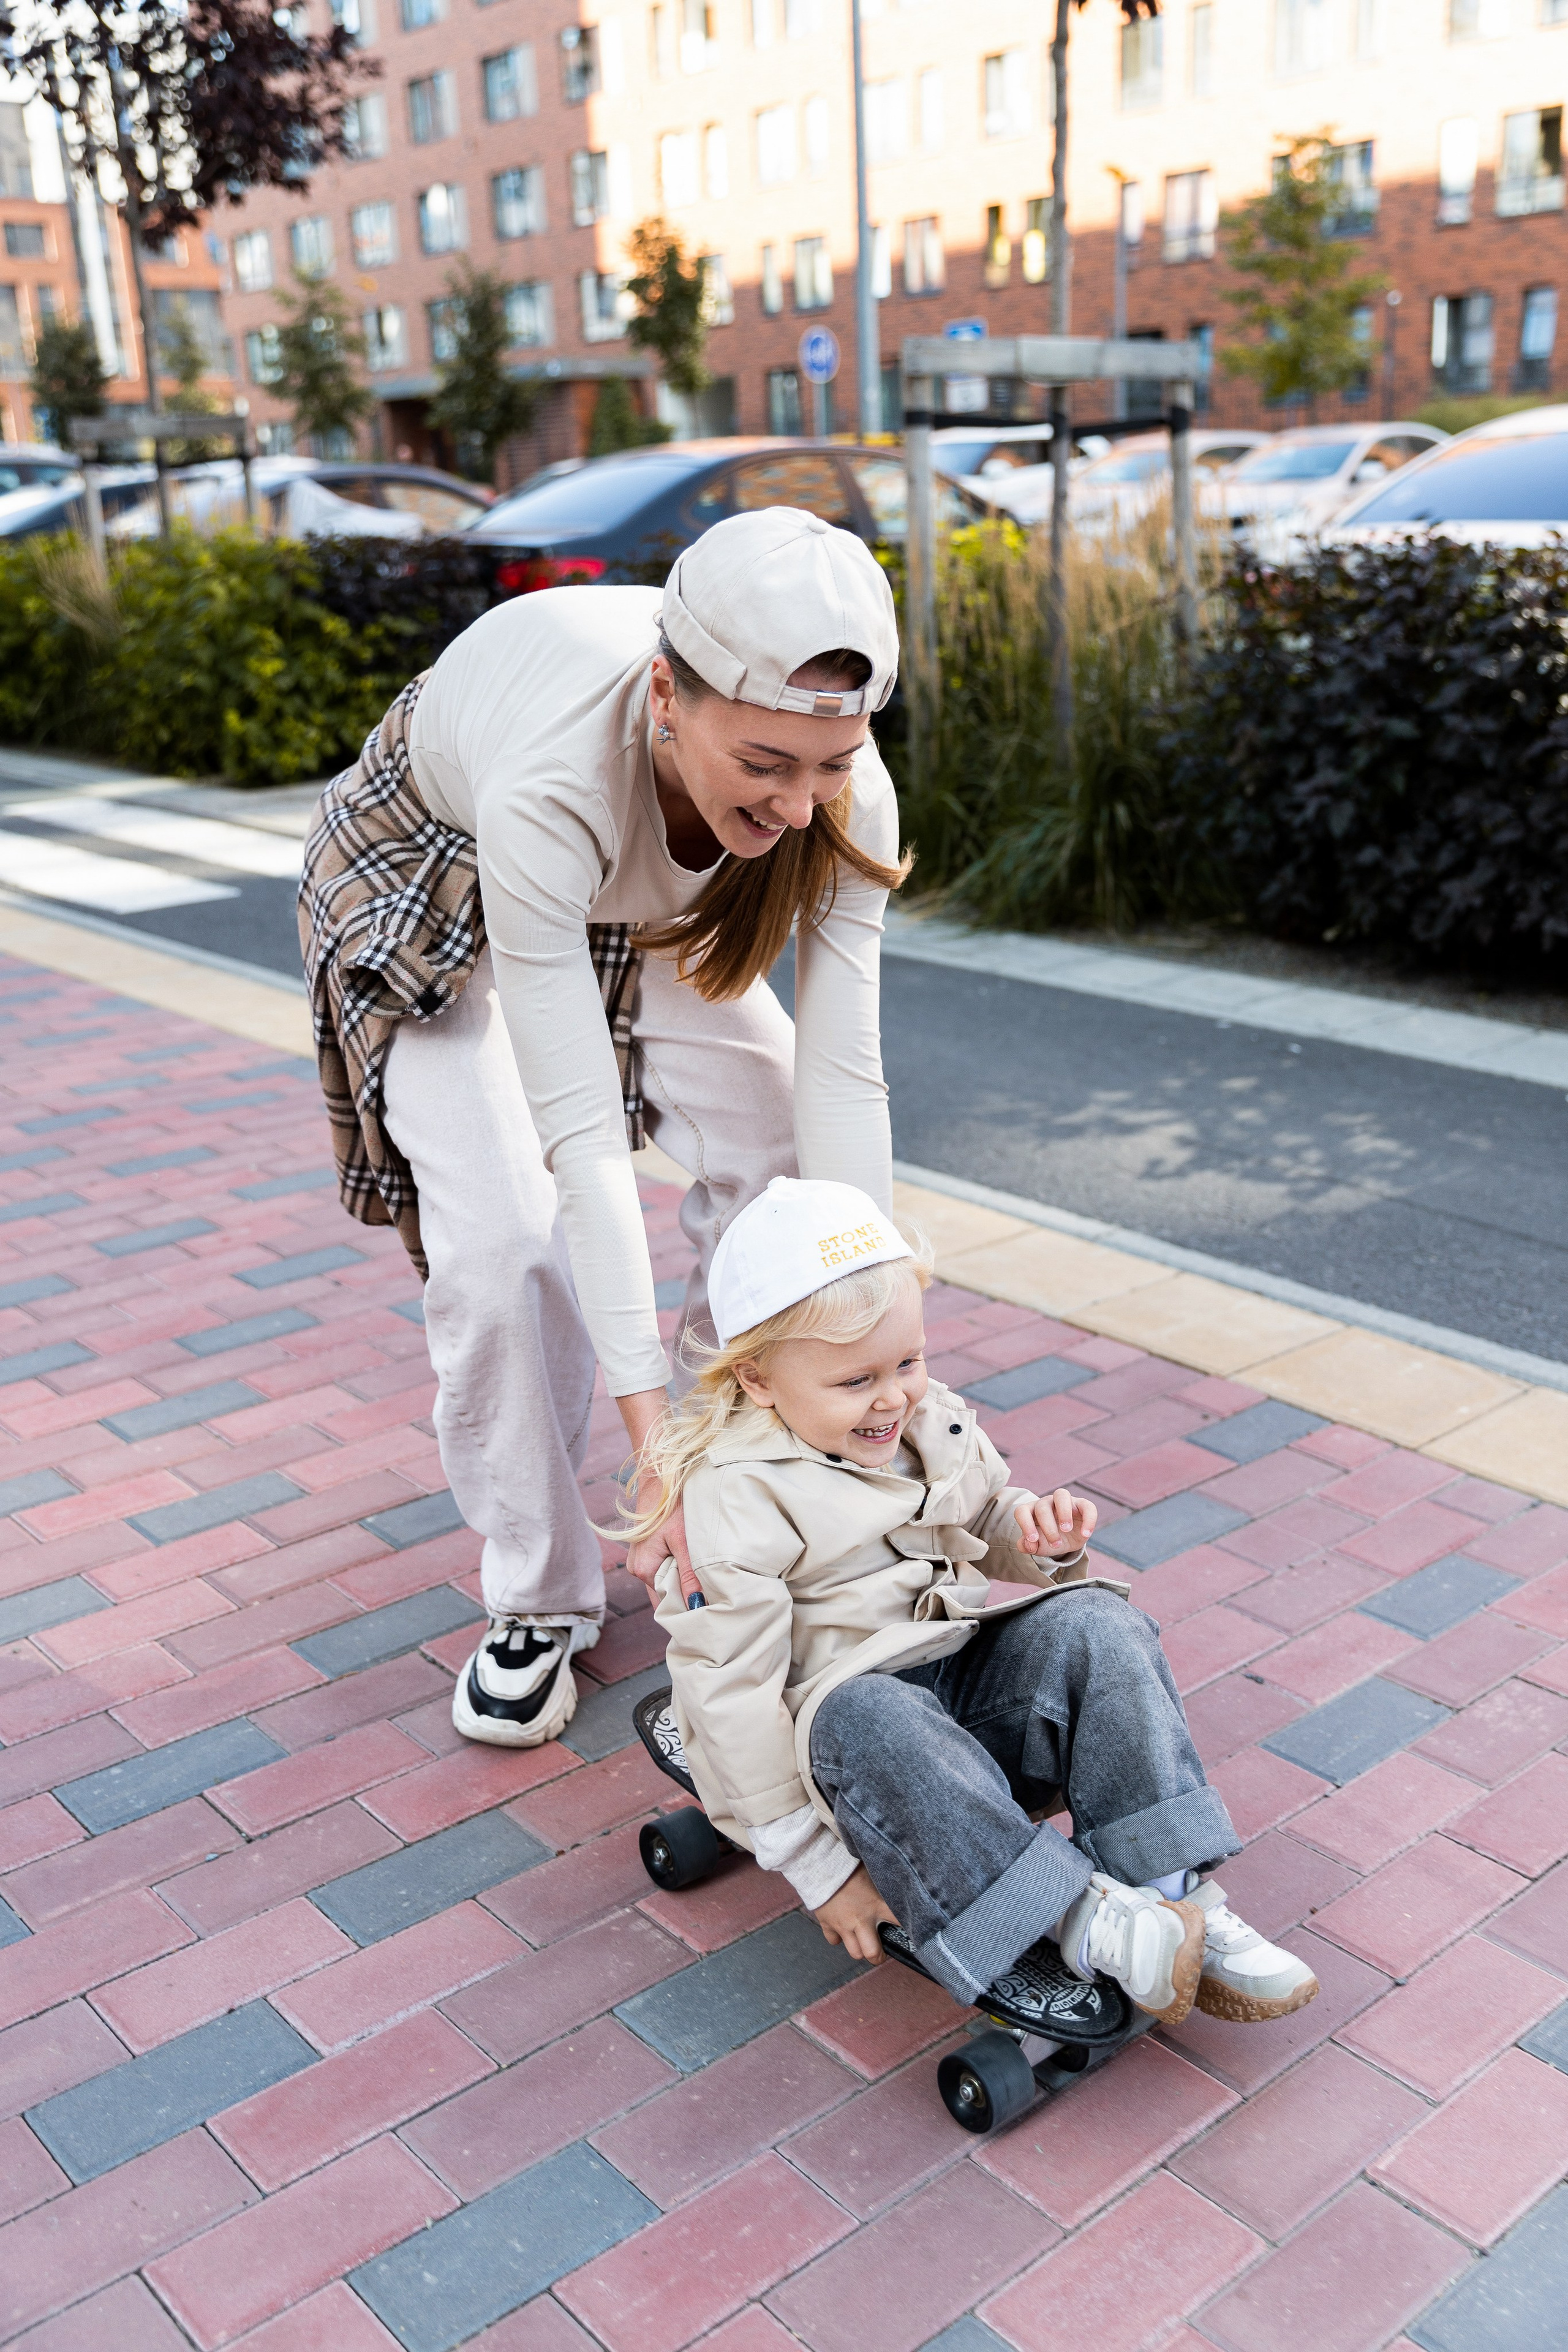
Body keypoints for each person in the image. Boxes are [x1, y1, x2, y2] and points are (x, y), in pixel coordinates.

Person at [299, 509, 907, 1749]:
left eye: (830, 764)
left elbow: (845, 1081)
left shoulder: (829, 794)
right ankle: (538, 1596)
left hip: (634, 884)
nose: (802, 808)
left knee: (786, 1163)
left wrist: (878, 1342)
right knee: (505, 1245)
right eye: (767, 764)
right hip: (444, 864)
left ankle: (739, 1503)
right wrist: (648, 1448)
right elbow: (582, 1146)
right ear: (666, 695)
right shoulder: (559, 775)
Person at [628, 1176, 1321, 2027]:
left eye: (908, 1363)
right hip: (850, 1754)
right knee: (876, 1711)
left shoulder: (924, 1422)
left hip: (953, 1685)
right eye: (857, 1380)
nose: (893, 1396)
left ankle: (1170, 1895)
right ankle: (1081, 1921)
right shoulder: (735, 1496)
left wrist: (1035, 1536)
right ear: (759, 1381)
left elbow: (983, 1512)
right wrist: (820, 1871)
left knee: (1099, 1623)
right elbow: (729, 1696)